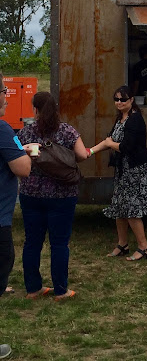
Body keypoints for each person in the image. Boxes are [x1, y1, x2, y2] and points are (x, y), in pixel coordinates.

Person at [17, 92, 89, 301]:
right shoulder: (67, 131)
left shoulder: (25, 133)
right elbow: (82, 156)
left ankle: (33, 289)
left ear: (35, 110)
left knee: (32, 243)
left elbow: (16, 155)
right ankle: (61, 290)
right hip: (62, 195)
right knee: (59, 244)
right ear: (55, 109)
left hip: (30, 194)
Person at [91, 85, 147, 261]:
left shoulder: (135, 120)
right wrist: (89, 152)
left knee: (132, 210)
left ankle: (144, 248)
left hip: (134, 170)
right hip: (122, 170)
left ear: (131, 100)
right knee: (119, 208)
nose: (119, 102)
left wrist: (110, 144)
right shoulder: (120, 118)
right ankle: (122, 244)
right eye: (116, 99)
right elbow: (108, 140)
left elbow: (125, 147)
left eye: (123, 99)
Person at [0, 74, 31, 358]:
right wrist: (28, 152)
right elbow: (22, 168)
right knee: (3, 262)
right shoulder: (3, 129)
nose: (7, 96)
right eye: (4, 91)